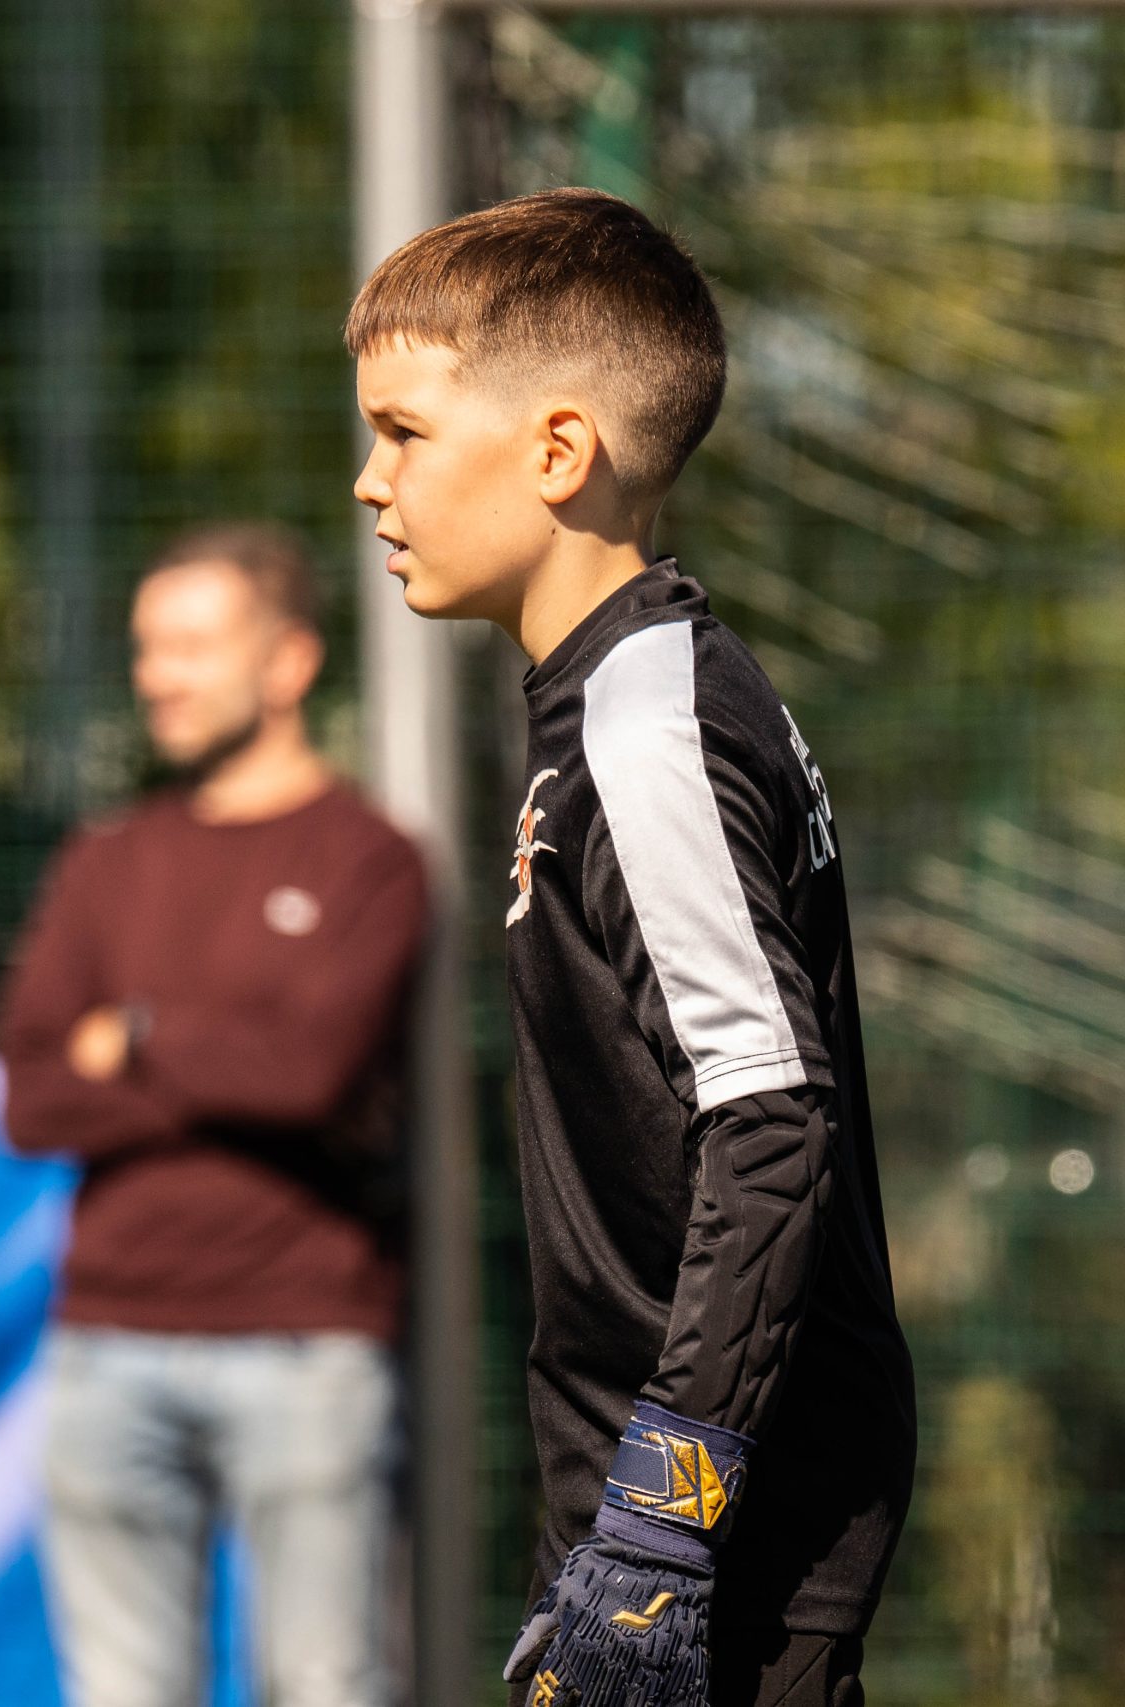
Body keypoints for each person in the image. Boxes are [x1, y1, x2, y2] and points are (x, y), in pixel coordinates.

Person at [347, 188, 916, 1707]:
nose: (370, 480)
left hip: (713, 1540)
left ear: (558, 451)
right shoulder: (617, 702)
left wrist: (663, 1519)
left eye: (403, 432)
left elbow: (771, 1121)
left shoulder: (649, 724)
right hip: (646, 1514)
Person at [0, 524, 428, 1707]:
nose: (157, 677)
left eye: (190, 646)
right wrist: (233, 1060)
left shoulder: (370, 861)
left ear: (288, 662)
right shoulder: (105, 862)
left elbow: (312, 1075)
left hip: (308, 1345)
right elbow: (30, 1096)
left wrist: (135, 1036)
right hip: (105, 1348)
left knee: (328, 1683)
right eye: (146, 649)